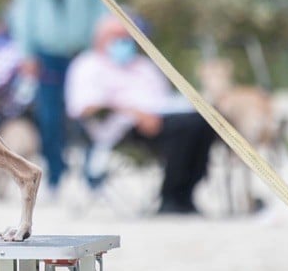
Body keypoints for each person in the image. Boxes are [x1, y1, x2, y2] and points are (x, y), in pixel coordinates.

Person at [10, 0, 113, 194]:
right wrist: (26, 52)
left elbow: (104, 6)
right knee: (49, 117)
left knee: (90, 116)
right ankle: (56, 175)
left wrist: (102, 47)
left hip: (85, 51)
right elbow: (23, 10)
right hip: (47, 52)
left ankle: (93, 177)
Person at [66, 13, 217, 215]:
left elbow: (164, 98)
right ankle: (170, 197)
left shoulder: (144, 65)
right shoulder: (87, 65)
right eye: (116, 37)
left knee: (202, 123)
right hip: (121, 128)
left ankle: (186, 194)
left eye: (127, 37)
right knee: (183, 129)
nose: (123, 42)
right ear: (100, 39)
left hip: (161, 117)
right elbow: (84, 107)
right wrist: (135, 113)